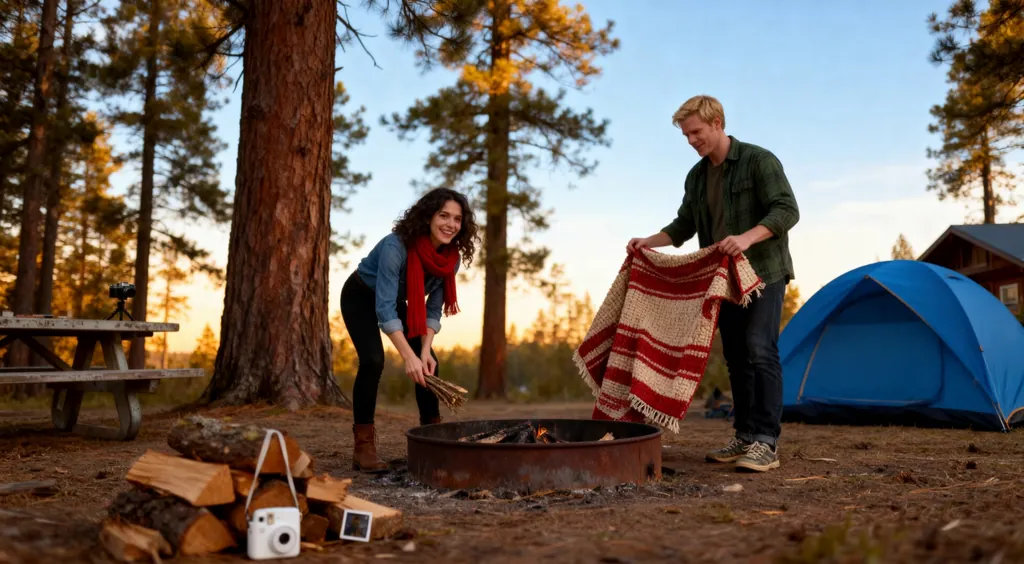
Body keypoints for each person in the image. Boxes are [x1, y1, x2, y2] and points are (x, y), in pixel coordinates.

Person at [626, 95, 799, 472]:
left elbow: (787, 210)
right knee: (736, 357)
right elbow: (683, 227)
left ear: (718, 122)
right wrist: (647, 241)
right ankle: (745, 436)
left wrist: (747, 238)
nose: (691, 141)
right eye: (686, 135)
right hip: (723, 280)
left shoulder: (759, 160)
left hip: (764, 272)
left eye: (696, 132)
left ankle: (767, 442)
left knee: (759, 349)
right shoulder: (697, 176)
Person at [341, 188, 478, 472]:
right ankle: (363, 447)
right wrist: (408, 356)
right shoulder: (396, 247)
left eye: (457, 219)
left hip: (399, 303)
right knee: (372, 361)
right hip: (361, 296)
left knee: (431, 364)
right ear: (428, 216)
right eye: (443, 215)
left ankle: (431, 439)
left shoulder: (449, 259)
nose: (450, 224)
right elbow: (385, 309)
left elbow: (431, 311)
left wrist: (423, 352)